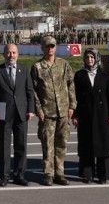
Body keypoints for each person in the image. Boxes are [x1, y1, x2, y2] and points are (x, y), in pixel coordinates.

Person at [30, 36, 76, 185]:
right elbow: (34, 91)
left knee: (62, 143)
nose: (50, 48)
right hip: (47, 112)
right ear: (42, 48)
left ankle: (60, 173)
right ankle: (48, 173)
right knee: (48, 144)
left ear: (56, 48)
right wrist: (39, 109)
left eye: (52, 46)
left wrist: (72, 106)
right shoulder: (37, 67)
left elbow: (70, 85)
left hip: (63, 111)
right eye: (47, 46)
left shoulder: (64, 64)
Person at [0, 43, 36, 186]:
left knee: (21, 145)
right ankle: (4, 176)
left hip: (21, 113)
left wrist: (31, 109)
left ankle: (19, 175)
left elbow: (29, 92)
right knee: (4, 146)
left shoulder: (24, 69)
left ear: (18, 54)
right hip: (3, 113)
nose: (11, 56)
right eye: (8, 53)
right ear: (4, 54)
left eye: (14, 53)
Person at [73, 49, 109, 184]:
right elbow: (74, 96)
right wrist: (75, 115)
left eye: (92, 57)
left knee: (103, 145)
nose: (90, 60)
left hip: (102, 116)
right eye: (87, 57)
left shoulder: (104, 75)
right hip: (85, 115)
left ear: (97, 58)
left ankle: (103, 174)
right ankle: (88, 174)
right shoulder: (79, 75)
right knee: (87, 145)